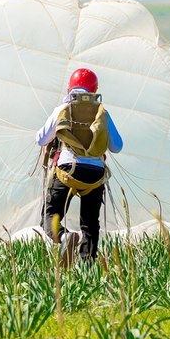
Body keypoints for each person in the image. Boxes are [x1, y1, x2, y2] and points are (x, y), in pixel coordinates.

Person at [36, 68, 123, 262]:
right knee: (91, 224)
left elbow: (41, 139)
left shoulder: (62, 109)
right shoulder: (102, 113)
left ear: (70, 87)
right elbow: (117, 146)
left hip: (67, 170)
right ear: (95, 89)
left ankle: (65, 237)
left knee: (50, 216)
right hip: (95, 174)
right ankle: (87, 269)